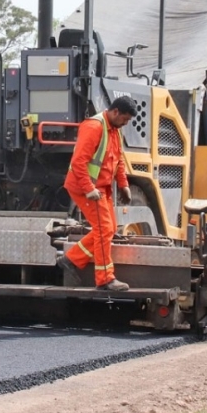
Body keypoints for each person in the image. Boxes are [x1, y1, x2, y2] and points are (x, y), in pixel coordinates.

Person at [58, 96, 137, 291]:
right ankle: (105, 279)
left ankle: (71, 259)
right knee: (103, 230)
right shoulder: (94, 127)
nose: (125, 123)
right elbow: (78, 162)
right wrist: (89, 189)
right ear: (115, 112)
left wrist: (124, 184)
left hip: (100, 188)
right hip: (86, 187)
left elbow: (118, 160)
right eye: (124, 119)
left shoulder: (115, 131)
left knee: (108, 229)